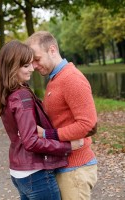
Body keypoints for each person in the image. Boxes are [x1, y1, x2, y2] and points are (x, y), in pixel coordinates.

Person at [0, 40, 83, 200]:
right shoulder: (22, 96)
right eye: (26, 66)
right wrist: (67, 146)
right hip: (36, 175)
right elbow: (31, 142)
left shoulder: (8, 94)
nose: (32, 68)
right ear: (12, 67)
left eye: (31, 64)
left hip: (19, 172)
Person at [25, 31, 98, 200]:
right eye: (31, 62)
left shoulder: (71, 78)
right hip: (64, 165)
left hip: (76, 168)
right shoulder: (55, 79)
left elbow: (88, 124)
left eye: (37, 59)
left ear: (52, 50)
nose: (34, 66)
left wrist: (47, 134)